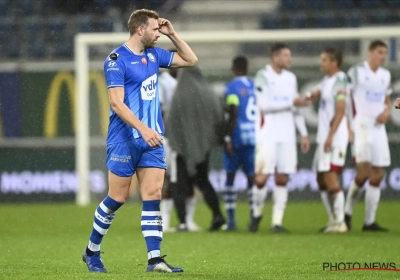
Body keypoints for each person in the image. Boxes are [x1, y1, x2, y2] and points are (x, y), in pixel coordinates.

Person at [81, 9, 197, 273]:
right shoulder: (116, 59)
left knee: (153, 194)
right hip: (124, 139)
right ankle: (92, 251)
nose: (159, 33)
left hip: (152, 138)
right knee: (117, 198)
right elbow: (116, 103)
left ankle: (155, 259)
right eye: (155, 29)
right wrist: (143, 129)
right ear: (140, 29)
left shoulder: (155, 55)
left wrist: (173, 34)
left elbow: (190, 59)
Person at [250, 43, 311, 233]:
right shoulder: (263, 76)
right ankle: (257, 213)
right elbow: (264, 105)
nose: (289, 59)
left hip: (287, 135)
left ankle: (276, 222)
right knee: (261, 179)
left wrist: (304, 133)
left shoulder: (291, 78)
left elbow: (296, 108)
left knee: (283, 178)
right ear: (275, 57)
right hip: (267, 134)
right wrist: (291, 102)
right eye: (286, 56)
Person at [166, 65, 226, 232]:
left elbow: (173, 121)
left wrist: (180, 140)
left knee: (179, 183)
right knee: (202, 180)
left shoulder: (181, 93)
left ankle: (184, 222)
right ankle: (217, 214)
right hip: (204, 146)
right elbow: (219, 115)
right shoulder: (209, 92)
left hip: (182, 146)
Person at [344, 40, 392, 232]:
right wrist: (348, 127)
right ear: (371, 53)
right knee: (364, 172)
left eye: (385, 53)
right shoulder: (356, 72)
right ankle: (346, 213)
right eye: (380, 52)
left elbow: (387, 100)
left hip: (379, 127)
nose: (383, 56)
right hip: (362, 124)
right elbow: (346, 99)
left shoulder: (385, 75)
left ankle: (369, 221)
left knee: (378, 173)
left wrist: (387, 112)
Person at [308, 48, 350, 233]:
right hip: (325, 136)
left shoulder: (341, 80)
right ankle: (333, 220)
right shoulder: (328, 81)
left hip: (334, 137)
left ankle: (340, 222)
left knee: (331, 178)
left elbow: (340, 110)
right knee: (320, 179)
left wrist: (331, 135)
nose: (321, 63)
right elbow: (322, 90)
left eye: (324, 60)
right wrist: (314, 93)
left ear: (334, 62)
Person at [159, 51, 200, 233]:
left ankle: (188, 221)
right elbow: (160, 110)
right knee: (169, 178)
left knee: (189, 178)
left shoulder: (188, 82)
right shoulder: (162, 81)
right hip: (168, 138)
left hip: (187, 138)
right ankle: (165, 221)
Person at [222, 55, 256, 231]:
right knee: (252, 178)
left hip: (236, 138)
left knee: (230, 178)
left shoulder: (232, 87)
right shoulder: (254, 86)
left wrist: (227, 137)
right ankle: (253, 217)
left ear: (234, 68)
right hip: (253, 138)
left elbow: (233, 111)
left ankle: (232, 221)